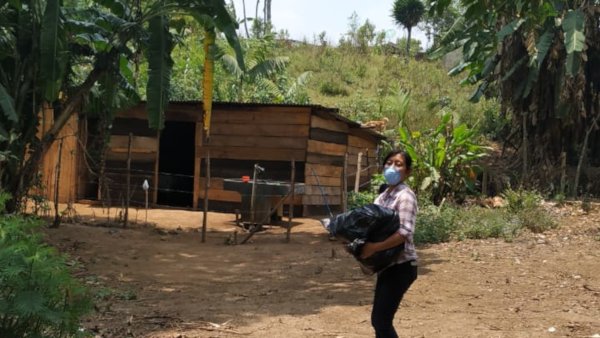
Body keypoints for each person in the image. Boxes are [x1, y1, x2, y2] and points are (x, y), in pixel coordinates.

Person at [360, 149, 418, 338]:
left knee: (381, 321)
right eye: (389, 162)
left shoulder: (405, 196)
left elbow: (404, 233)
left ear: (407, 172)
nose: (392, 167)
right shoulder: (383, 195)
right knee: (379, 321)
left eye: (399, 164)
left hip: (401, 266)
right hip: (387, 264)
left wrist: (373, 248)